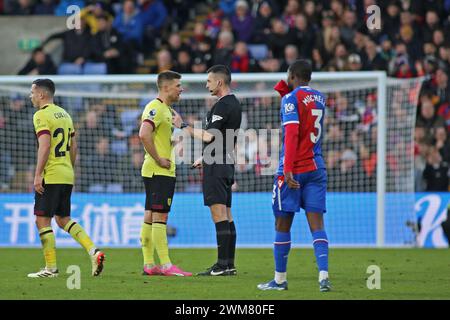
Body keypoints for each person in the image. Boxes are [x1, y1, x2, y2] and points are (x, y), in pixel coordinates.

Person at [257, 59, 331, 292]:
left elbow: (291, 134)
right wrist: (286, 89)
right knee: (317, 223)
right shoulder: (320, 97)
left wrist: (287, 167)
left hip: (294, 168)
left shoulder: (290, 98)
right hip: (316, 167)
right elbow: (298, 102)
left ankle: (279, 280)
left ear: (291, 75)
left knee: (282, 222)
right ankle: (323, 276)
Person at [28, 79, 105, 278]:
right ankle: (93, 251)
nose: (31, 96)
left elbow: (44, 146)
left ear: (42, 94)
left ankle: (50, 268)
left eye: (33, 92)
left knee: (42, 220)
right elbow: (74, 146)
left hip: (51, 174)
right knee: (63, 219)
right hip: (66, 173)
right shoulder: (65, 114)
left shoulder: (41, 115)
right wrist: (69, 169)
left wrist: (38, 174)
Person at [172, 65, 242, 276]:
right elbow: (223, 139)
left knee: (218, 213)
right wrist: (206, 156)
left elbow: (210, 136)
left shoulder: (223, 105)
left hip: (218, 165)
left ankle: (221, 265)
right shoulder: (234, 103)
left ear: (219, 82)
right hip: (224, 161)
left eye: (209, 81)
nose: (206, 85)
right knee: (227, 214)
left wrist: (183, 126)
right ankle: (229, 264)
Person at [139, 71, 192, 277]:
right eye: (178, 85)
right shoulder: (155, 108)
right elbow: (143, 134)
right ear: (166, 87)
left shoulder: (166, 110)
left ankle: (149, 264)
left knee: (151, 215)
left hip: (157, 171)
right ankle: (166, 265)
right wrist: (159, 158)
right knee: (160, 216)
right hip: (158, 171)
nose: (181, 89)